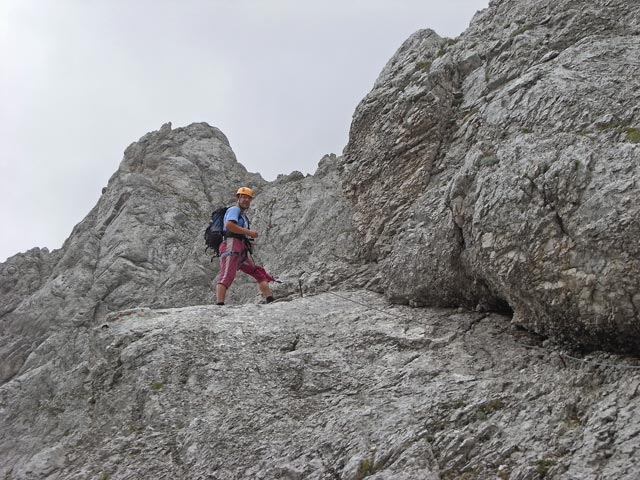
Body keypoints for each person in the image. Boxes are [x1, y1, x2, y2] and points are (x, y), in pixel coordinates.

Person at [216, 187, 275, 305]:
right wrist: (249, 232)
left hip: (240, 248)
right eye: (244, 197)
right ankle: (219, 305)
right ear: (238, 198)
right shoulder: (234, 210)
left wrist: (247, 240)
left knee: (257, 272)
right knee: (227, 274)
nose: (246, 200)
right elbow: (229, 226)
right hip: (231, 244)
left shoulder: (243, 216)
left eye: (249, 198)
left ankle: (270, 299)